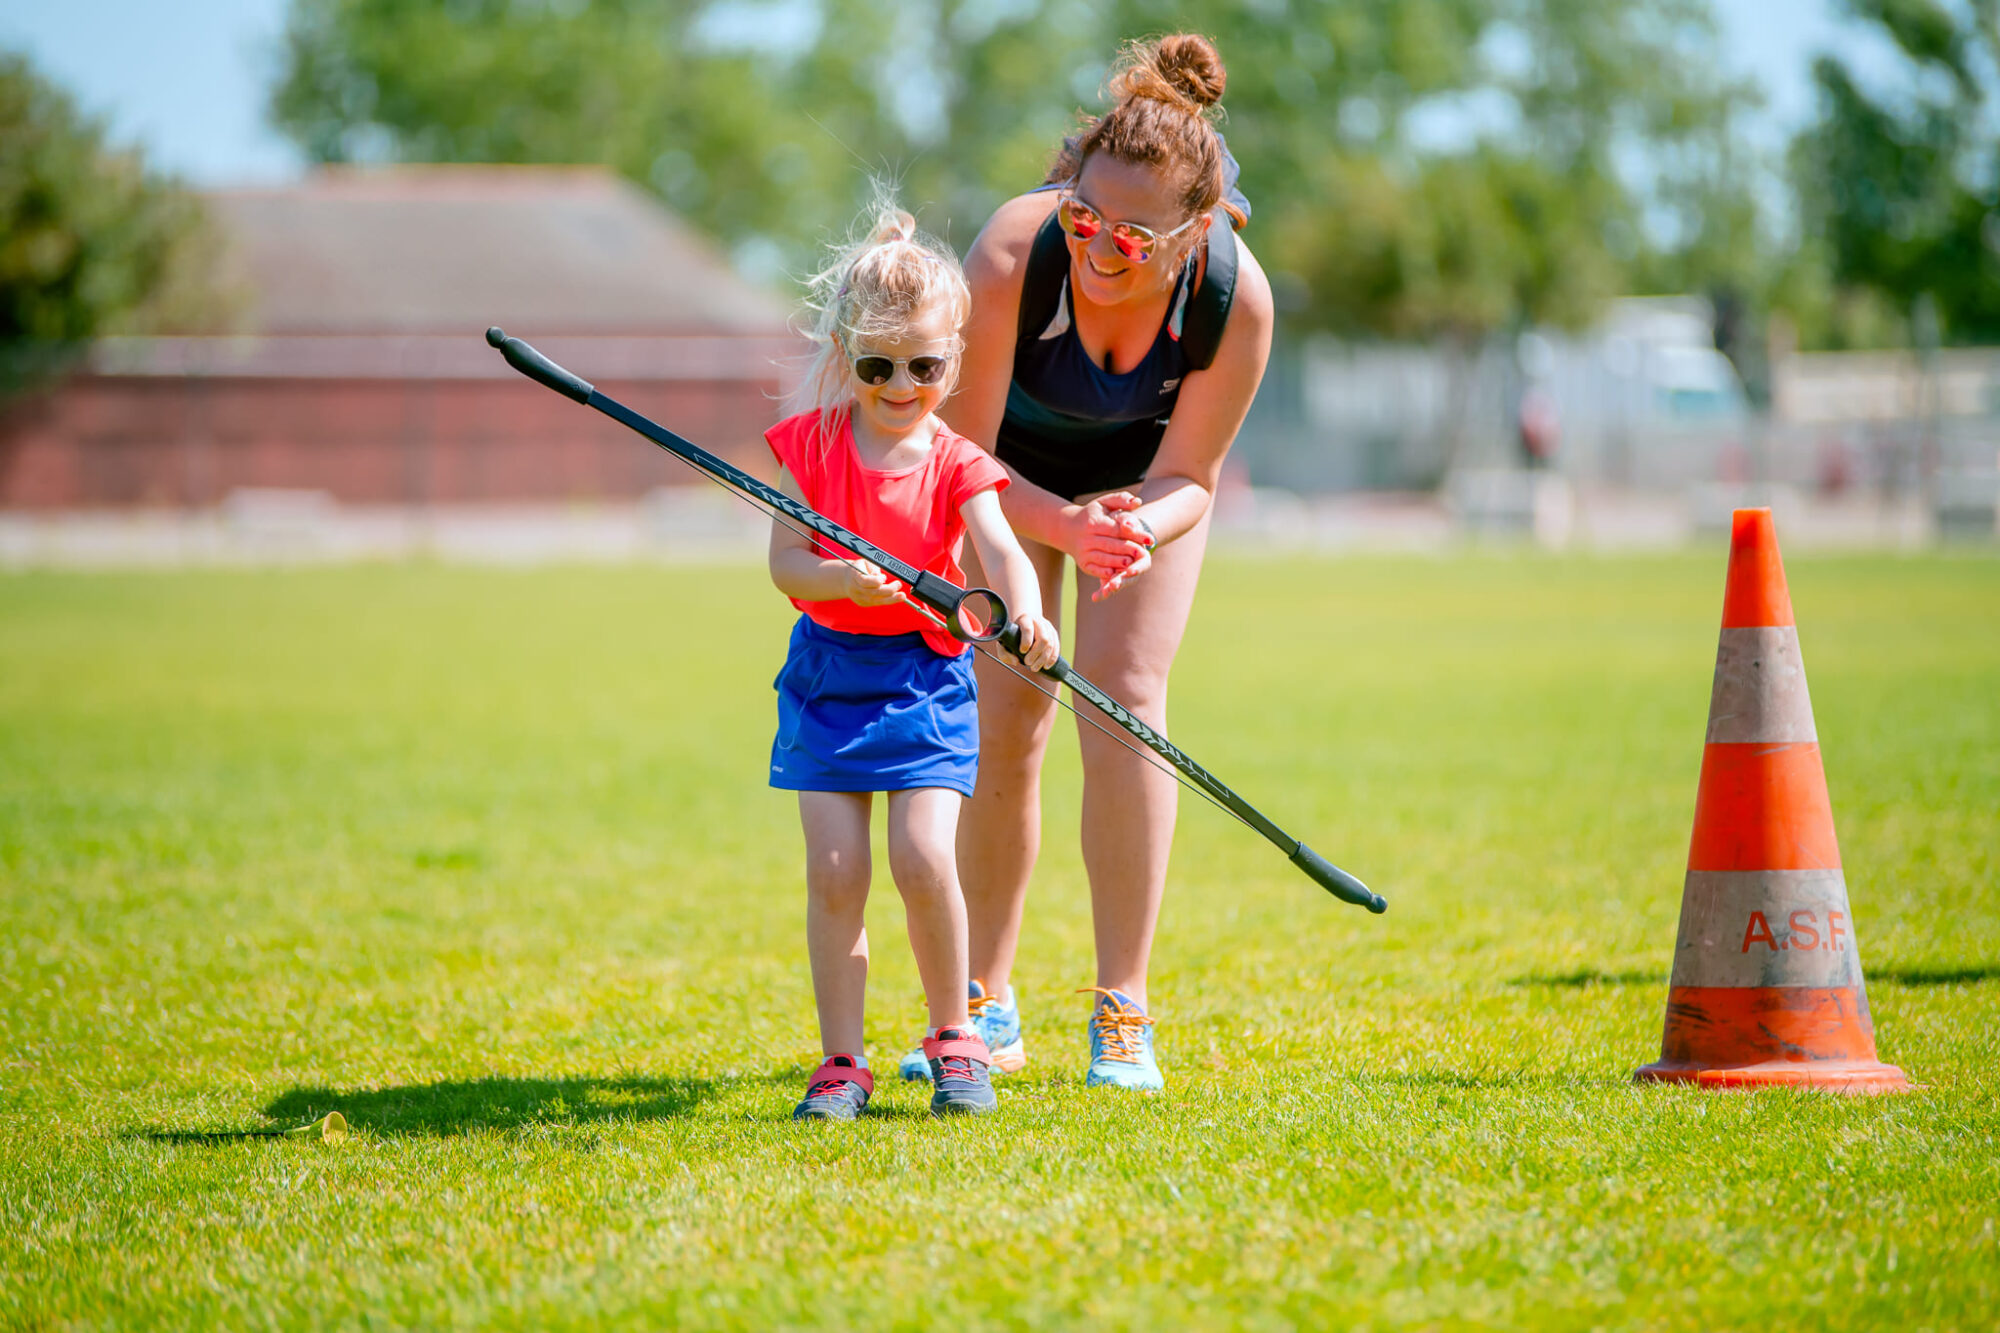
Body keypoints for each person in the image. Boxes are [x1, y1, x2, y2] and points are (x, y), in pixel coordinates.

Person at [896, 33, 1274, 1092]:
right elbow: (954, 455)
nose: (1102, 245)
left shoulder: (1233, 300)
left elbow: (1192, 473)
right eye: (1084, 216)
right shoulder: (1017, 253)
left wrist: (1132, 528)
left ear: (1196, 229)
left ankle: (1123, 1010)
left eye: (1133, 233)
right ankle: (984, 1001)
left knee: (1122, 699)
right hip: (1004, 482)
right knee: (1007, 709)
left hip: (1140, 492)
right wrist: (1058, 525)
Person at [766, 195, 1061, 1121]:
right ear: (845, 354)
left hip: (926, 682)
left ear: (953, 359)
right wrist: (839, 585)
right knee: (836, 870)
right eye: (877, 365)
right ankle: (840, 1062)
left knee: (925, 855)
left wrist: (1031, 612)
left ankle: (956, 1036)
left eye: (925, 366)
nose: (902, 385)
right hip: (828, 683)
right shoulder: (811, 448)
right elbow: (784, 561)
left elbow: (1002, 549)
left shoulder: (957, 457)